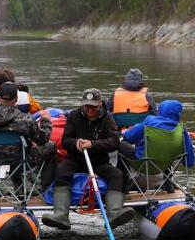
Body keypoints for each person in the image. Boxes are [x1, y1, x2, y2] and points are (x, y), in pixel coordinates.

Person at [41, 88, 136, 230]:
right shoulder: (74, 116)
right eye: (87, 106)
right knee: (61, 170)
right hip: (76, 159)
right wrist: (76, 143)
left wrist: (93, 144)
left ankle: (114, 214)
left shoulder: (107, 118)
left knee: (117, 174)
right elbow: (66, 140)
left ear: (99, 104)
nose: (90, 109)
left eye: (93, 106)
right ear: (83, 105)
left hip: (98, 161)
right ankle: (61, 215)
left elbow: (114, 142)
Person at [0, 82, 56, 189]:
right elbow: (43, 139)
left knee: (17, 152)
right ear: (16, 100)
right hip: (22, 163)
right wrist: (46, 121)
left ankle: (16, 185)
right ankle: (44, 188)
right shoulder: (25, 119)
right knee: (51, 146)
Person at [121, 100, 195, 191]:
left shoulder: (150, 120)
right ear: (178, 114)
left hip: (143, 162)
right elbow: (189, 161)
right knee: (166, 151)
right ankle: (168, 183)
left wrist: (125, 133)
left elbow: (130, 137)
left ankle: (123, 184)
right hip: (164, 164)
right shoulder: (181, 130)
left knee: (121, 145)